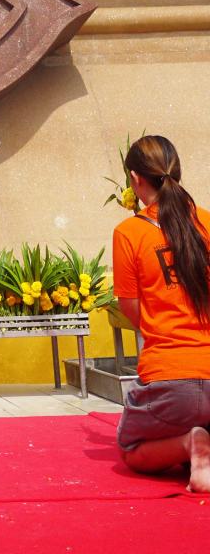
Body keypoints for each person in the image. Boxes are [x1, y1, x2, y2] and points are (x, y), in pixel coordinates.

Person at [113, 135, 210, 491]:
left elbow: (131, 307)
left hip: (170, 378)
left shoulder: (130, 232)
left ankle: (189, 444)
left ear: (136, 179)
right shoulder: (207, 222)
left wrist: (160, 330)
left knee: (131, 448)